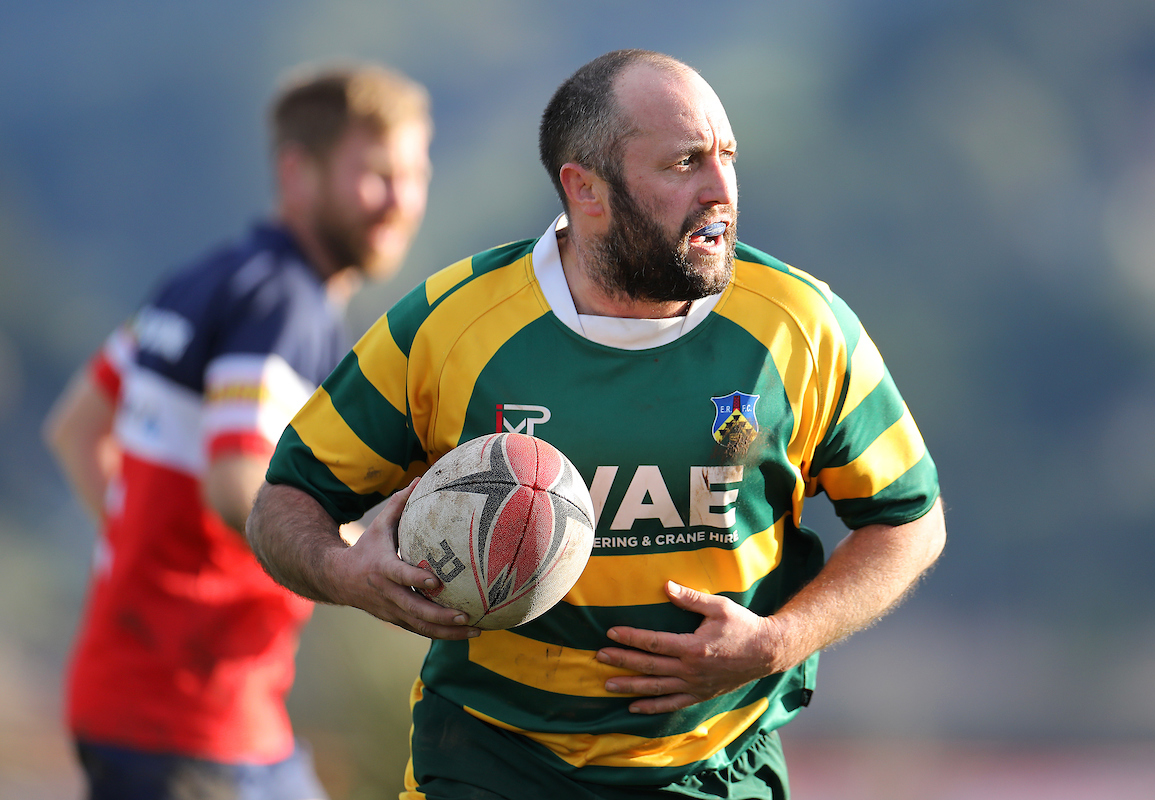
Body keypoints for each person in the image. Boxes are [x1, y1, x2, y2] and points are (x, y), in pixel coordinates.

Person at [247, 49, 946, 800]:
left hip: (714, 772)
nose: (720, 190)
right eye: (683, 163)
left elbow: (910, 519)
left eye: (727, 158)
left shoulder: (801, 326)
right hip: (489, 762)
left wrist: (778, 643)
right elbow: (285, 502)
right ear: (586, 190)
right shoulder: (451, 327)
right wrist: (344, 573)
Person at [42, 62, 433, 800]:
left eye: (415, 173)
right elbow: (235, 483)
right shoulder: (290, 304)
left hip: (129, 694)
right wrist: (351, 561)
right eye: (376, 174)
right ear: (298, 172)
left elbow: (76, 429)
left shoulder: (204, 278)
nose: (401, 200)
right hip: (196, 721)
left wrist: (147, 556)